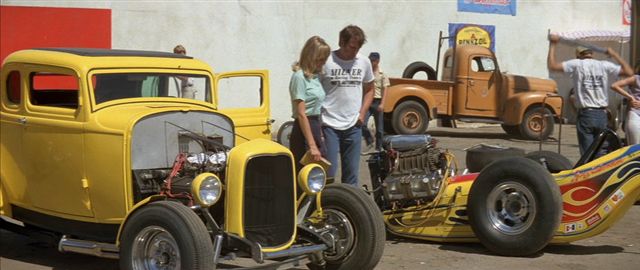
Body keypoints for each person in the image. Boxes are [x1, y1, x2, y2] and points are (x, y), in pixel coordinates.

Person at [547, 34, 633, 155]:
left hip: (586, 114)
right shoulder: (603, 65)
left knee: (588, 155)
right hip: (602, 115)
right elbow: (629, 72)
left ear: (578, 55)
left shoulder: (576, 64)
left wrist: (553, 44)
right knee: (600, 153)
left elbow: (552, 66)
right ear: (592, 54)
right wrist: (615, 55)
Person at [320, 25, 375, 186]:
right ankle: (326, 207)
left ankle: (348, 209)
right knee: (328, 173)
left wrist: (362, 113)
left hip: (353, 125)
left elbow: (370, 89)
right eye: (352, 47)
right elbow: (314, 91)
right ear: (341, 42)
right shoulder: (326, 61)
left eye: (358, 48)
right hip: (329, 124)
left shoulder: (363, 62)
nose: (355, 51)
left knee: (351, 176)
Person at [288, 36, 331, 171]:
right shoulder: (299, 77)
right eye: (320, 59)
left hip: (315, 125)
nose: (323, 63)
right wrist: (312, 145)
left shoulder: (314, 77)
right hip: (303, 129)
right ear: (311, 56)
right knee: (306, 173)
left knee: (319, 172)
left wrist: (320, 135)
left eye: (325, 59)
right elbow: (301, 114)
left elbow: (317, 109)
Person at [362, 52, 390, 150]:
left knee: (379, 129)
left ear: (377, 61)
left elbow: (386, 89)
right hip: (367, 101)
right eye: (370, 60)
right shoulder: (366, 72)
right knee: (362, 123)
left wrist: (382, 103)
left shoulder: (382, 74)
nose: (371, 62)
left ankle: (379, 148)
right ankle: (369, 140)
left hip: (377, 101)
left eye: (373, 61)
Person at [611, 64, 640, 145]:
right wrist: (630, 97)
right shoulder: (636, 78)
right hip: (636, 115)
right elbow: (614, 85)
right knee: (635, 148)